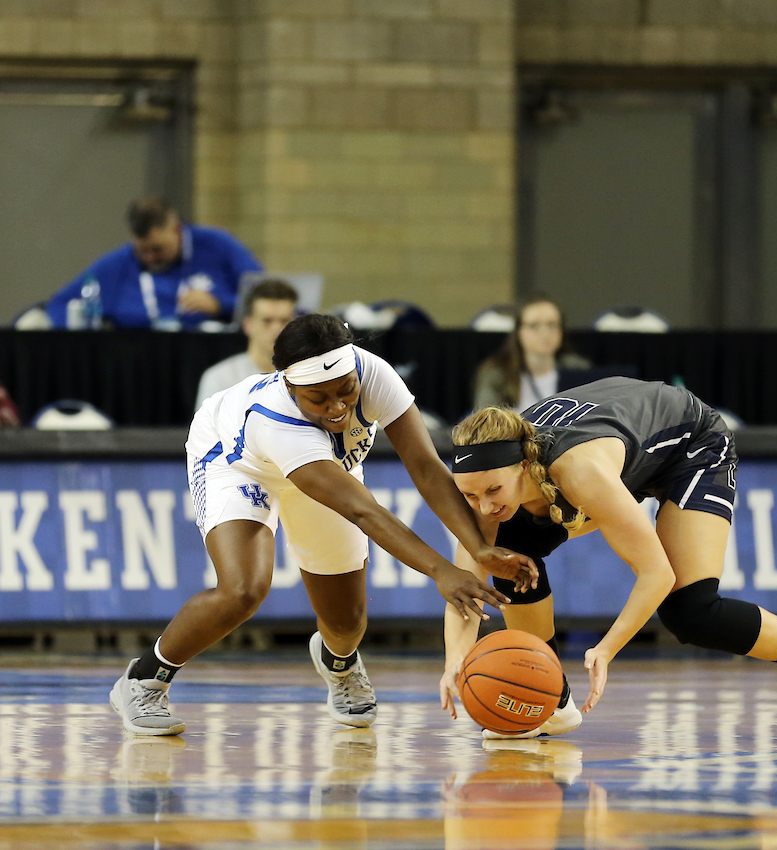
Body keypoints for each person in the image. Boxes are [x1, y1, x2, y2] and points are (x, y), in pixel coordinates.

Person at [109, 314, 538, 737]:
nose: (337, 407)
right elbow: (363, 511)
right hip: (237, 461)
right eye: (319, 398)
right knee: (243, 589)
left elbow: (426, 466)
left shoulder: (372, 373)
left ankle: (340, 662)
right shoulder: (276, 420)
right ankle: (144, 680)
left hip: (324, 467)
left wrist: (477, 549)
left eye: (345, 391)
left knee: (347, 620)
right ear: (289, 385)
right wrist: (442, 570)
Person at [441, 377, 777, 741]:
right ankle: (549, 697)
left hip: (691, 446)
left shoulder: (578, 470)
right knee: (507, 558)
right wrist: (453, 663)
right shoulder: (489, 491)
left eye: (493, 491)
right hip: (624, 442)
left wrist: (607, 649)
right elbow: (465, 587)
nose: (481, 507)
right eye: (469, 495)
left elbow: (656, 574)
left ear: (522, 467)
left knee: (692, 611)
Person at [46, 196, 262, 330]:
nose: (150, 258)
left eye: (158, 249)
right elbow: (59, 305)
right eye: (142, 250)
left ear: (177, 230)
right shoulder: (119, 263)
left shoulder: (218, 246)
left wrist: (221, 305)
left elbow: (269, 299)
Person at [194, 278, 299, 410]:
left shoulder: (309, 378)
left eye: (284, 321)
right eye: (267, 321)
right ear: (248, 324)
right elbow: (205, 430)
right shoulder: (219, 378)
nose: (277, 329)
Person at [472, 295, 591, 411]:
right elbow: (487, 421)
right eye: (534, 325)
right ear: (518, 331)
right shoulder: (496, 373)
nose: (545, 333)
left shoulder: (578, 369)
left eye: (552, 325)